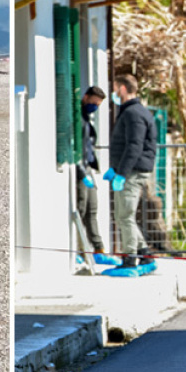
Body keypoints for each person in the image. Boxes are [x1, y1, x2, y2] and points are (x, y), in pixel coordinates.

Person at [104, 74, 158, 270]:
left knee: (125, 216)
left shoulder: (133, 113)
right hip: (128, 170)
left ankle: (129, 259)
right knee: (122, 216)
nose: (114, 93)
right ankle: (145, 254)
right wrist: (115, 169)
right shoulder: (131, 111)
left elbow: (134, 145)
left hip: (132, 172)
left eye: (116, 88)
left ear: (123, 89)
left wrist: (122, 173)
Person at [77, 85, 107, 254]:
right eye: (94, 103)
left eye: (98, 105)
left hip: (88, 168)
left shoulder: (86, 118)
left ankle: (98, 248)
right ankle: (80, 249)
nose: (95, 107)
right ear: (86, 97)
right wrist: (81, 172)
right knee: (81, 208)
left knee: (92, 208)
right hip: (81, 170)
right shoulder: (78, 117)